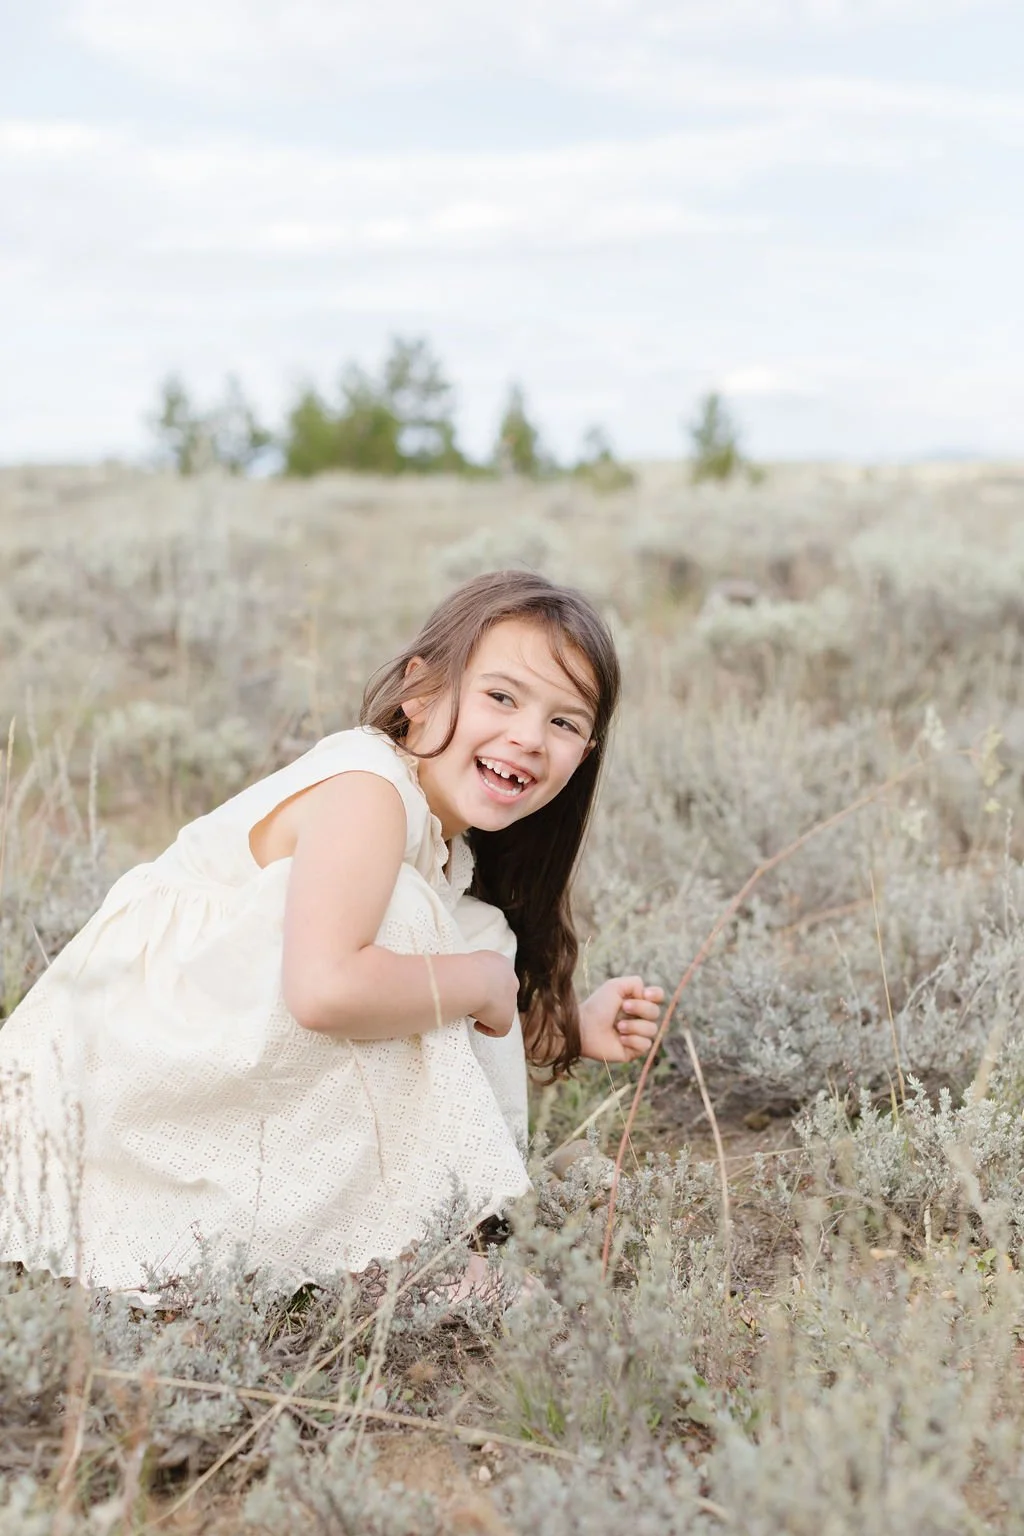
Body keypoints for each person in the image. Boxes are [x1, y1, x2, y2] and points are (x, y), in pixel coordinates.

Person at [0, 570, 662, 1298]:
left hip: (204, 1046)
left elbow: (471, 1002)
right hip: (117, 1076)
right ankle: (412, 1249)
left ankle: (473, 1202)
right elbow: (325, 991)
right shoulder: (368, 791)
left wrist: (568, 1025)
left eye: (564, 723)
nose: (528, 738)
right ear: (421, 691)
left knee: (472, 932)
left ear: (587, 751)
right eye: (501, 697)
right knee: (425, 933)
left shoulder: (442, 844)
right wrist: (477, 979)